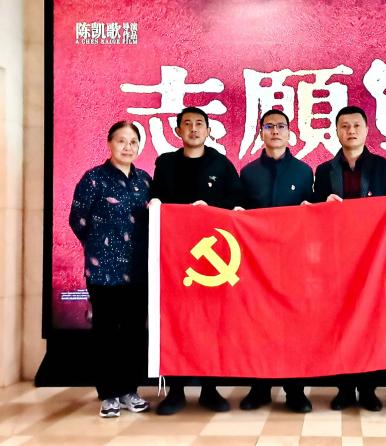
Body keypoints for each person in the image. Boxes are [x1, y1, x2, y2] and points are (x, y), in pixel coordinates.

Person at [313, 105, 386, 412]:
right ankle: (344, 389)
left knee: (370, 322)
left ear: (366, 130)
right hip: (336, 259)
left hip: (372, 259)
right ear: (336, 131)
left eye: (356, 125)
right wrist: (323, 204)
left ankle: (368, 389)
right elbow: (314, 212)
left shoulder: (383, 167)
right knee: (339, 321)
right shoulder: (324, 171)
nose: (350, 131)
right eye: (344, 126)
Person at [151, 106, 242, 415]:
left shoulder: (221, 163)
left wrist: (210, 206)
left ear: (208, 130)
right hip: (175, 259)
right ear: (178, 131)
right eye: (187, 124)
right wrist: (156, 203)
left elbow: (236, 201)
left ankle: (209, 390)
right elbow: (156, 197)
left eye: (199, 124)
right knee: (177, 322)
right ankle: (175, 391)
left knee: (212, 323)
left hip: (212, 261)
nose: (193, 128)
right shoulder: (166, 163)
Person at [69, 121, 151, 418]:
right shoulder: (93, 179)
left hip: (139, 270)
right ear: (109, 143)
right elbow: (77, 219)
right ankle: (109, 395)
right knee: (106, 333)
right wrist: (99, 248)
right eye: (121, 141)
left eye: (133, 142)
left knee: (133, 333)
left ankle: (130, 390)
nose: (127, 147)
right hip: (103, 270)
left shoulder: (145, 181)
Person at [237, 109, 314, 413]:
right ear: (261, 133)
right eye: (269, 126)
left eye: (281, 126)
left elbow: (315, 212)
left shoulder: (304, 171)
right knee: (258, 324)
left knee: (295, 325)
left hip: (294, 262)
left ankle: (295, 389)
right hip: (257, 263)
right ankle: (260, 387)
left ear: (289, 132)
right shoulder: (248, 173)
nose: (275, 131)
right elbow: (238, 214)